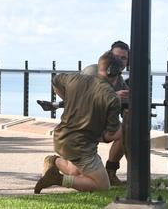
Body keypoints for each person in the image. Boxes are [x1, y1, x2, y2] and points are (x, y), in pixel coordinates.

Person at [34, 51, 123, 193]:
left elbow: (55, 80)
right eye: (119, 73)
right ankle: (58, 179)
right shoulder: (112, 98)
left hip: (61, 139)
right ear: (113, 73)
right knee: (102, 186)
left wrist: (68, 99)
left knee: (74, 171)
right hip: (82, 146)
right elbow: (111, 134)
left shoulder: (75, 79)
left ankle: (53, 161)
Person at [80, 40, 130, 186]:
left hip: (102, 127)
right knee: (77, 173)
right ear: (109, 56)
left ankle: (111, 172)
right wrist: (114, 96)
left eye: (123, 58)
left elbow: (126, 102)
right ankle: (55, 162)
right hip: (82, 126)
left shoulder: (119, 80)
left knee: (126, 132)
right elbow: (80, 98)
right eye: (116, 57)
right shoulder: (90, 72)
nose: (119, 61)